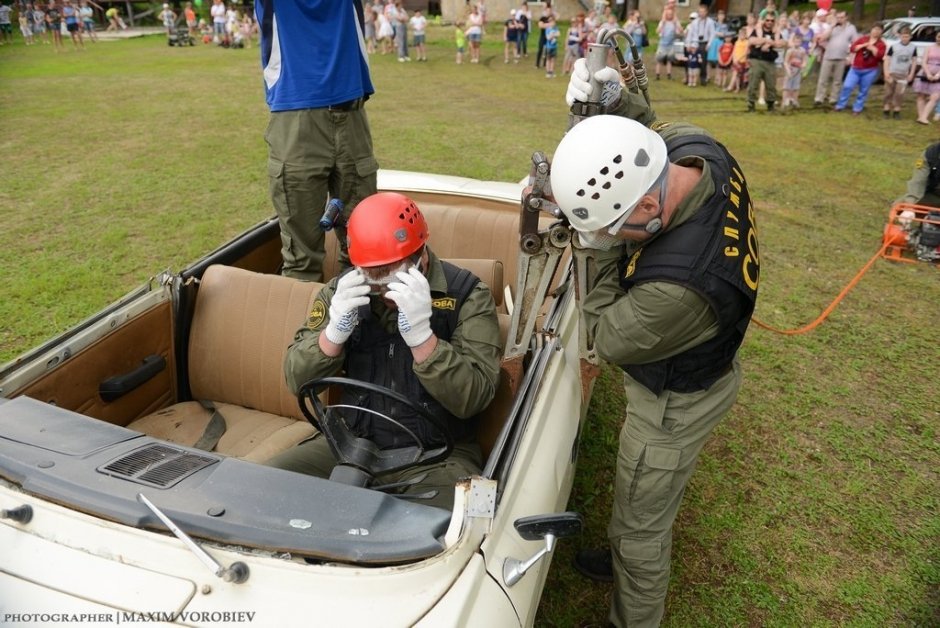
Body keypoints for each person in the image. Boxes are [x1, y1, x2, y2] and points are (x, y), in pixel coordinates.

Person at [561, 65, 759, 628]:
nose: (609, 236)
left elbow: (602, 334)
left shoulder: (676, 289)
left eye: (615, 225)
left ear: (647, 210)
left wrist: (593, 243)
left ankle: (633, 598)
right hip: (699, 356)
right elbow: (647, 133)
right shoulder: (699, 151)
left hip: (673, 403)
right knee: (639, 509)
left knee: (640, 532)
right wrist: (614, 103)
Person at [268, 193, 501, 511]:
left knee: (440, 530)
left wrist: (423, 339)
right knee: (261, 487)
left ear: (421, 255)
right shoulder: (344, 292)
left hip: (436, 455)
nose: (383, 290)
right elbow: (296, 379)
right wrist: (333, 334)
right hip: (350, 444)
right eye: (373, 278)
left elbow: (474, 397)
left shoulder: (467, 296)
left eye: (393, 277)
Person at [256, 0, 379, 282]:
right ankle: (309, 324)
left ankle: (359, 323)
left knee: (366, 252)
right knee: (302, 261)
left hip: (351, 115)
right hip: (296, 120)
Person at [833, 24, 885, 115]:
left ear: (881, 32)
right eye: (874, 29)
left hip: (870, 70)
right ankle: (840, 104)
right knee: (847, 86)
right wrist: (863, 45)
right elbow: (853, 48)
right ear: (871, 30)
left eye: (878, 30)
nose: (876, 31)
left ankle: (857, 107)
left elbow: (880, 56)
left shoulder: (881, 44)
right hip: (856, 68)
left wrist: (873, 49)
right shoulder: (863, 39)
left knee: (863, 90)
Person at [813, 10, 857, 106]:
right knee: (823, 79)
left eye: (841, 17)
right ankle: (819, 98)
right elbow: (823, 38)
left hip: (842, 57)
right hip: (828, 56)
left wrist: (850, 57)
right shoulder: (831, 27)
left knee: (837, 80)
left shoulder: (851, 28)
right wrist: (832, 26)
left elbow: (855, 42)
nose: (839, 19)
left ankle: (834, 98)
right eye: (838, 17)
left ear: (846, 18)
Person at [746, 9, 785, 112]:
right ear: (764, 20)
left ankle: (771, 104)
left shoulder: (776, 32)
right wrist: (766, 40)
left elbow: (781, 43)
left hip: (770, 61)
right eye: (767, 20)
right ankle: (751, 103)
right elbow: (752, 40)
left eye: (772, 20)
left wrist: (769, 43)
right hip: (757, 59)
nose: (769, 22)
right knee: (754, 82)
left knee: (771, 84)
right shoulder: (757, 29)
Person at [882, 26, 917, 119]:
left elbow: (914, 61)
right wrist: (886, 72)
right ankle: (886, 108)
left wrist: (911, 73)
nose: (905, 38)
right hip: (893, 72)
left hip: (903, 74)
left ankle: (897, 110)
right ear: (900, 36)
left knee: (899, 93)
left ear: (910, 37)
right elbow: (887, 59)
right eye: (903, 36)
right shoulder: (894, 46)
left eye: (907, 36)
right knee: (889, 91)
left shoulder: (913, 48)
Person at [897, 142, 940, 207]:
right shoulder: (930, 153)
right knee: (899, 206)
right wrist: (909, 205)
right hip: (934, 193)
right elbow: (918, 181)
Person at [913, 31, 940, 125]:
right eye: (938, 37)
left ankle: (924, 116)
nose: (939, 39)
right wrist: (928, 73)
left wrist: (937, 75)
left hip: (938, 74)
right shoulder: (929, 48)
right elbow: (924, 62)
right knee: (921, 95)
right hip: (925, 72)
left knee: (935, 96)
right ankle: (921, 117)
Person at [684, 4, 715, 85]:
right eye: (700, 12)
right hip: (695, 42)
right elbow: (690, 34)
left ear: (706, 12)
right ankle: (688, 78)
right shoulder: (694, 22)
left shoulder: (710, 22)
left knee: (703, 62)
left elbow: (712, 34)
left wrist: (709, 44)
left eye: (703, 12)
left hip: (704, 43)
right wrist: (688, 44)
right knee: (691, 60)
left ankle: (703, 78)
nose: (701, 13)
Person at [655, 5, 683, 80]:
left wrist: (675, 23)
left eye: (671, 14)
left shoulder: (675, 22)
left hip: (671, 44)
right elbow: (657, 31)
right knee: (659, 59)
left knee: (669, 60)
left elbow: (681, 31)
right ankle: (657, 75)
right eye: (668, 14)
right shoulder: (662, 22)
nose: (669, 16)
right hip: (662, 44)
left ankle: (669, 75)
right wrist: (663, 24)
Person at [782, 31, 807, 109]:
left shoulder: (802, 50)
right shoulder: (790, 51)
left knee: (796, 86)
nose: (797, 43)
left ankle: (795, 100)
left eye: (799, 41)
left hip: (798, 70)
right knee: (787, 86)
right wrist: (788, 70)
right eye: (795, 41)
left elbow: (805, 60)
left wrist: (803, 66)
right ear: (793, 42)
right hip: (790, 69)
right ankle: (784, 101)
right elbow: (785, 61)